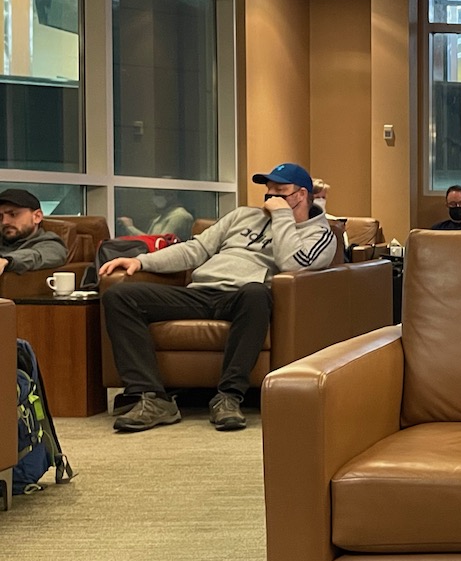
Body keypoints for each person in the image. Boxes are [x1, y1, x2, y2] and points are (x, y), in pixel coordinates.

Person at [100, 163, 336, 434]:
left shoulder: (319, 235)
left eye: (280, 191)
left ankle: (228, 396)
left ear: (301, 195)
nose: (271, 197)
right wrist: (140, 262)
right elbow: (196, 249)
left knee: (257, 293)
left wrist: (282, 217)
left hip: (244, 299)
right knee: (120, 296)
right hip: (201, 292)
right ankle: (152, 398)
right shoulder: (242, 216)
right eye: (268, 190)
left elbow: (291, 264)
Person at [0, 188, 69, 277]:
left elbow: (38, 256)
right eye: (0, 216)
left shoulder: (50, 243)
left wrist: (7, 261)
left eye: (13, 214)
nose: (4, 222)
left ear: (37, 217)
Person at [117, 190, 194, 242]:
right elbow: (149, 241)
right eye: (155, 194)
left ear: (171, 196)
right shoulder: (159, 218)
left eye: (159, 194)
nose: (155, 198)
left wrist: (130, 227)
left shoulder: (179, 216)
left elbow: (159, 243)